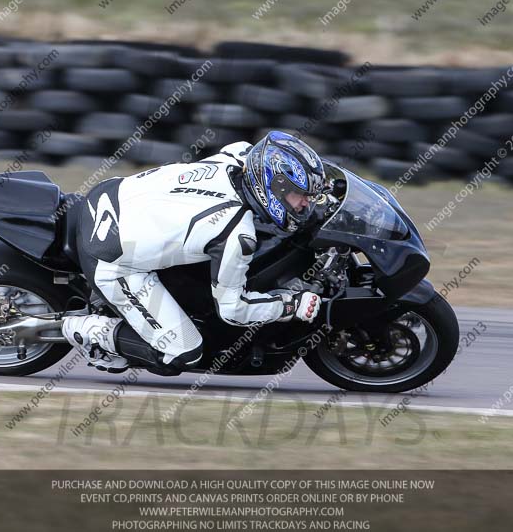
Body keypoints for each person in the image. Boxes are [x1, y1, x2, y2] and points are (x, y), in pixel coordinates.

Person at [61, 131, 326, 374]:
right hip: (109, 258)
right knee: (183, 352)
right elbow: (233, 310)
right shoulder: (235, 234)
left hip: (111, 194)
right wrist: (290, 305)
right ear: (274, 187)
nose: (305, 202)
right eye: (298, 194)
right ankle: (89, 330)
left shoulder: (239, 156)